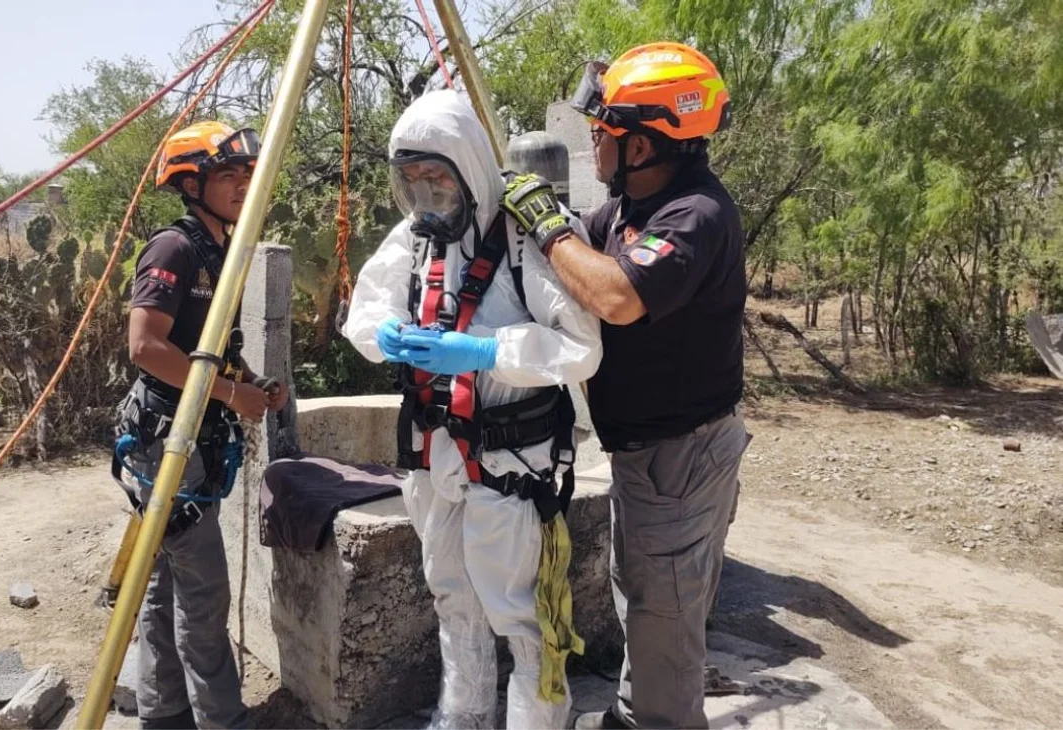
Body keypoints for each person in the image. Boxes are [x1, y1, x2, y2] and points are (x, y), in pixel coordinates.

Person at [500, 43, 752, 729]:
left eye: (603, 130)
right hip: (652, 456)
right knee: (645, 599)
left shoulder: (694, 214)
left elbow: (616, 297)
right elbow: (580, 253)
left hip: (681, 455)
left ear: (640, 145)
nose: (592, 137)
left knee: (664, 620)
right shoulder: (631, 207)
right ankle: (632, 714)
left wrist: (546, 226)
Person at [342, 89, 602, 730]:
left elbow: (581, 347)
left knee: (520, 612)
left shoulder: (523, 242)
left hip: (512, 463)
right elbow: (366, 313)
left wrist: (485, 350)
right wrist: (388, 336)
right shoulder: (416, 239)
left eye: (438, 177)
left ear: (469, 168)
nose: (427, 193)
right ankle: (463, 715)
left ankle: (540, 719)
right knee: (452, 597)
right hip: (435, 462)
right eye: (413, 180)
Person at [113, 120, 288, 730]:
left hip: (193, 433)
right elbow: (145, 345)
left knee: (164, 590)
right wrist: (229, 392)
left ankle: (165, 715)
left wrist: (248, 386)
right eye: (227, 175)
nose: (243, 185)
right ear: (191, 183)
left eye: (247, 174)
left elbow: (204, 347)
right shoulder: (176, 248)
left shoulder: (219, 248)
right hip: (168, 438)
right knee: (205, 593)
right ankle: (223, 720)